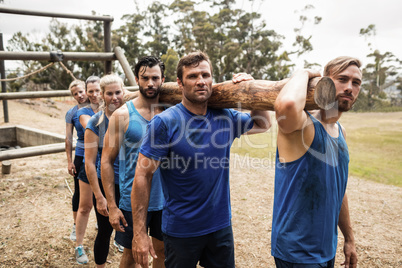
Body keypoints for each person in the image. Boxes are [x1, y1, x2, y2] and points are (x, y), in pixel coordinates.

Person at [131, 51, 272, 268]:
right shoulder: (165, 123)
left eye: (205, 75)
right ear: (180, 83)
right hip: (181, 230)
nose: (201, 81)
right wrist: (139, 233)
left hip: (220, 227)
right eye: (192, 76)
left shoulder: (225, 117)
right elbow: (142, 175)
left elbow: (262, 124)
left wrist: (252, 88)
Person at [271, 56, 361, 268]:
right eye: (342, 79)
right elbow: (288, 104)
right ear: (324, 83)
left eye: (355, 83)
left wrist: (349, 238)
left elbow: (338, 187)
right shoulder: (303, 127)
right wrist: (306, 73)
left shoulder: (341, 132)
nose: (349, 87)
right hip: (297, 252)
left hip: (326, 248)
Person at [101, 56, 166, 268]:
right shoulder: (121, 115)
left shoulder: (169, 113)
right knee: (132, 256)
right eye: (144, 78)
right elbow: (106, 162)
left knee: (161, 252)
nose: (150, 83)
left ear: (163, 79)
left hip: (166, 199)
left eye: (155, 78)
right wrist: (112, 205)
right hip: (133, 199)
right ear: (137, 79)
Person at [85, 74, 125, 267]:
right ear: (102, 95)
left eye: (118, 92)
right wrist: (99, 197)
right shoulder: (95, 123)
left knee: (129, 230)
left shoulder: (130, 117)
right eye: (110, 93)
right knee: (104, 231)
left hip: (128, 183)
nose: (115, 97)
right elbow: (90, 163)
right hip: (106, 183)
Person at [74, 75, 101, 264]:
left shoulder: (114, 107)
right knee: (85, 206)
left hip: (112, 165)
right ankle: (79, 246)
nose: (93, 94)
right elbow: (91, 126)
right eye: (90, 91)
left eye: (98, 90)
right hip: (90, 163)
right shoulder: (83, 112)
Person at [65, 80, 89, 241]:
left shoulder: (99, 106)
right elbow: (68, 138)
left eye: (81, 91)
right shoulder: (72, 113)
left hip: (101, 154)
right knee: (79, 192)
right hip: (81, 154)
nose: (79, 95)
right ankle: (76, 225)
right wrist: (69, 161)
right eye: (75, 93)